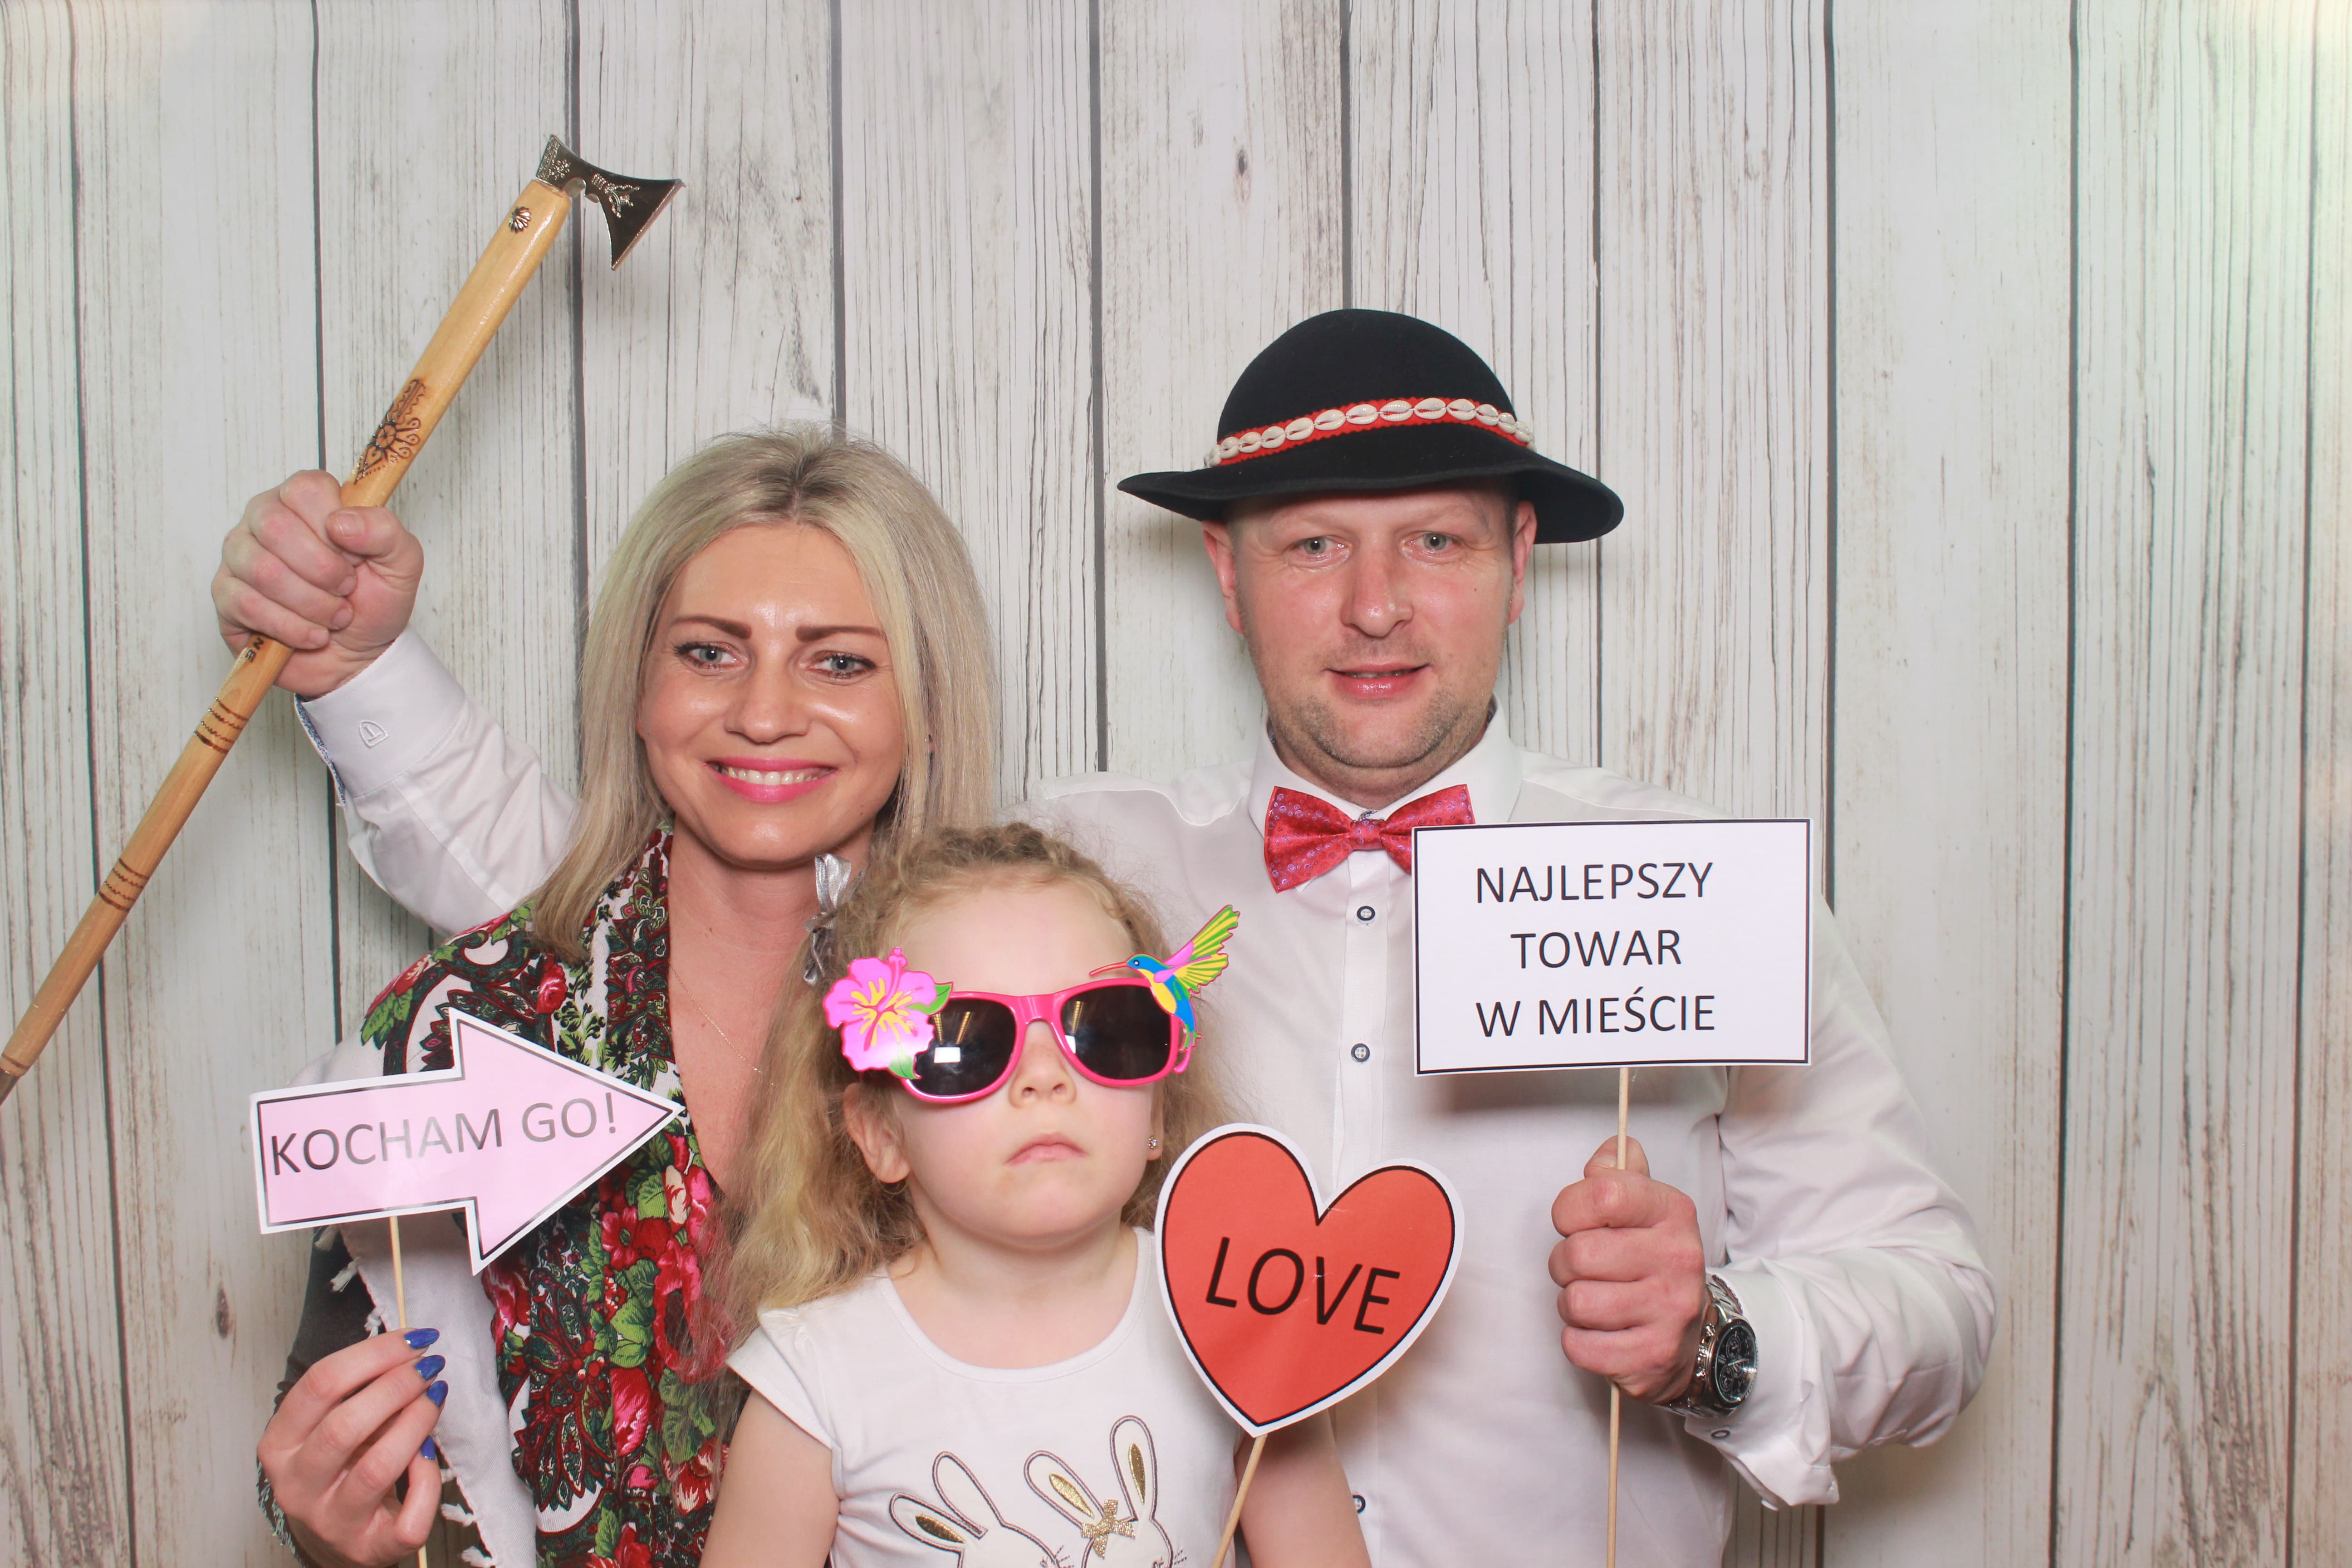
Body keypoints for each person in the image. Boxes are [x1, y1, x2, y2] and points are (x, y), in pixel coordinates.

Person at [219, 311, 1997, 1565]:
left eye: (1437, 542)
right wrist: (367, 674)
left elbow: (1935, 1300)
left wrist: (1718, 1338)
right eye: (1313, 546)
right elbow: (688, 877)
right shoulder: (1084, 870)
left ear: (1519, 557)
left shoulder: (1692, 893)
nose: (1375, 606)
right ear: (1227, 575)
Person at [242, 427, 998, 1568]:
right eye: (709, 652)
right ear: (638, 687)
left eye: (840, 663)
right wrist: (326, 1519)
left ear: (927, 706)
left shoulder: (1011, 1027)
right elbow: (356, 1453)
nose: (764, 713)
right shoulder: (466, 1020)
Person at [702, 821, 1367, 1568]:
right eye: (967, 1044)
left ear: (1155, 1109)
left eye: (1106, 1029)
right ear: (881, 1134)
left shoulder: (1241, 1313)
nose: (1045, 1078)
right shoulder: (816, 1376)